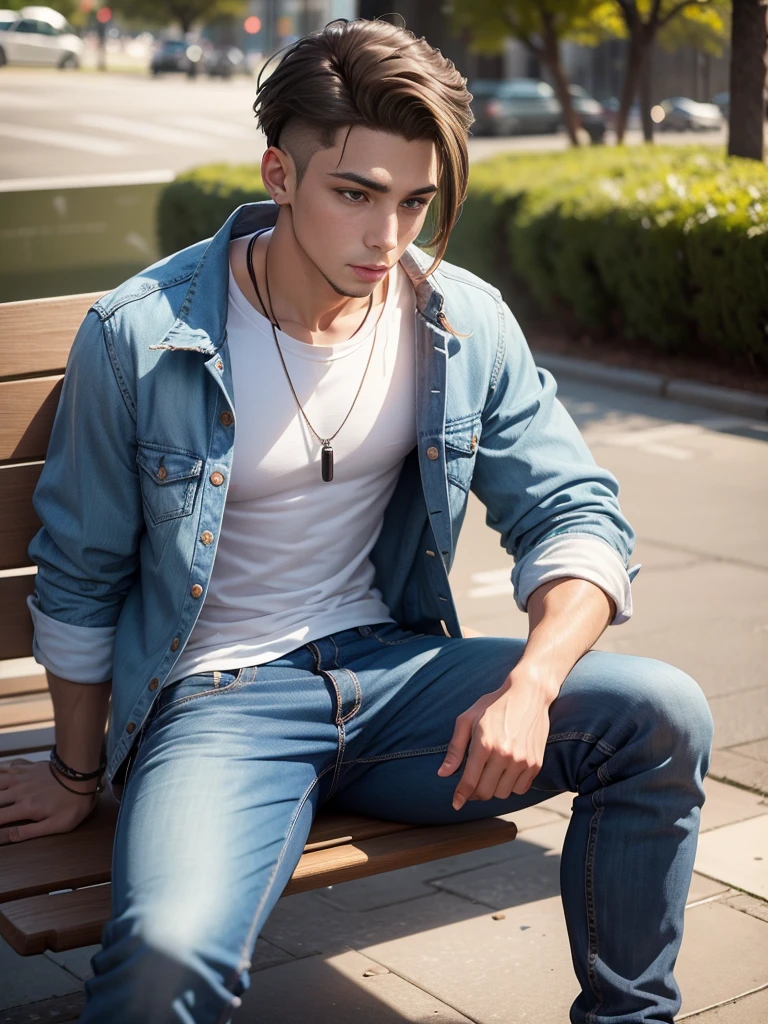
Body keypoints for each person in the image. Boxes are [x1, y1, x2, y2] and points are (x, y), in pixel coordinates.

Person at [1, 18, 712, 1024]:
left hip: (397, 682)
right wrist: (77, 771)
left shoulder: (460, 322)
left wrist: (532, 683)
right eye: (356, 194)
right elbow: (77, 575)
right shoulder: (143, 335)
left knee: (662, 713)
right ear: (280, 175)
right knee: (163, 958)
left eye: (415, 201)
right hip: (217, 702)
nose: (389, 237)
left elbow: (573, 510)